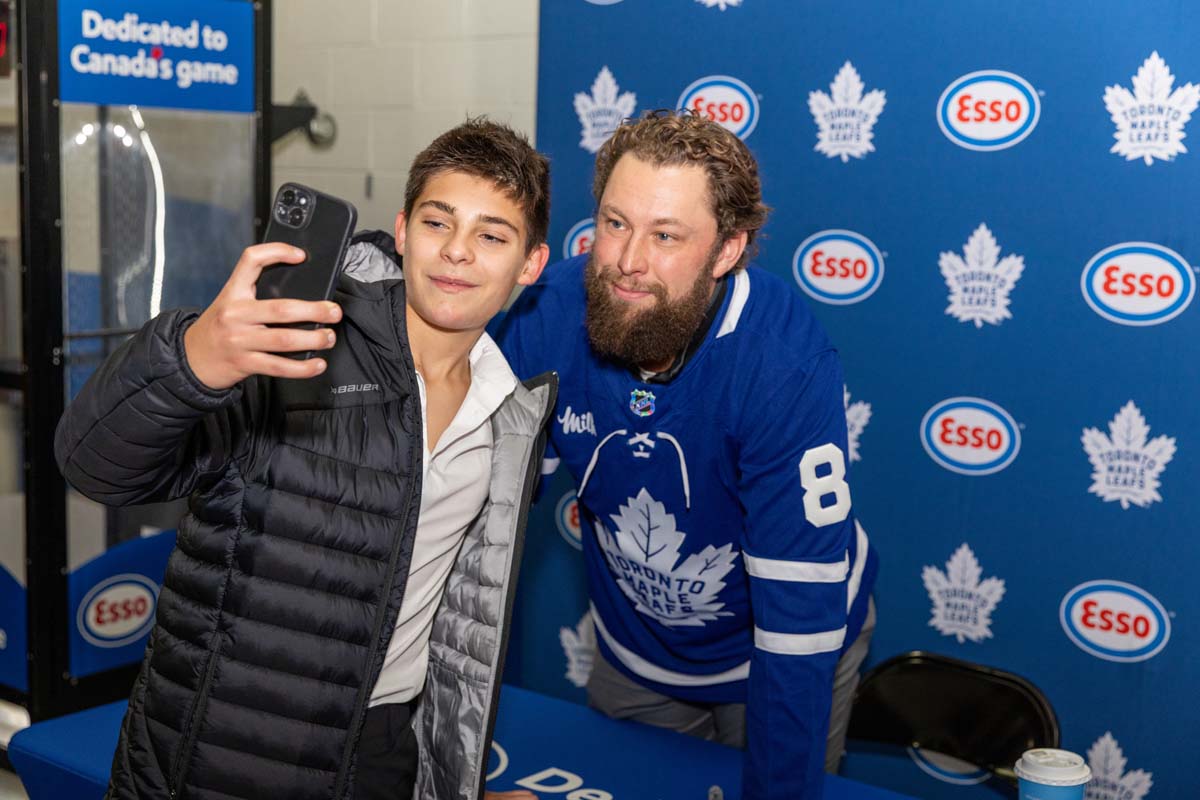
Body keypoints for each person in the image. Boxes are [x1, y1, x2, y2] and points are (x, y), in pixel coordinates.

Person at [55, 118, 553, 800]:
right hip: (223, 752)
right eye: (438, 223)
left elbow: (445, 628)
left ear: (530, 264)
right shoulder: (297, 346)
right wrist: (194, 358)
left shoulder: (508, 416)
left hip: (379, 751)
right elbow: (95, 466)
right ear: (403, 232)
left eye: (491, 236)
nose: (457, 251)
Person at [495, 110, 878, 800]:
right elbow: (483, 516)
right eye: (615, 223)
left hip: (778, 653)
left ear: (727, 251)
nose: (628, 261)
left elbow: (797, 616)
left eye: (666, 235)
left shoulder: (781, 363)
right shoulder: (545, 312)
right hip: (637, 648)